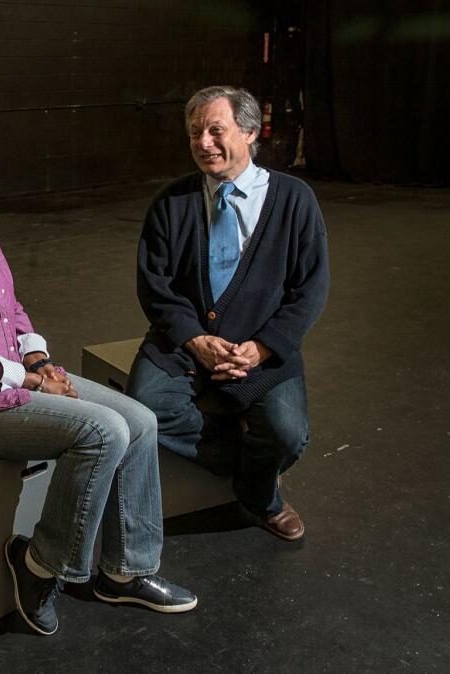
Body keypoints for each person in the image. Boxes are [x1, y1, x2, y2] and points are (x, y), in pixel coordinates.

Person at [0, 123, 197, 635]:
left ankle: (125, 572)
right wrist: (26, 382)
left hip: (13, 377)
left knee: (138, 418)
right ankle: (39, 566)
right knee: (103, 431)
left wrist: (37, 356)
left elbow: (10, 308)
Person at [126, 86, 330, 541]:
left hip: (260, 346)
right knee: (145, 410)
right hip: (185, 342)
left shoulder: (295, 199)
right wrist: (194, 339)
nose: (203, 142)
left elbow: (310, 289)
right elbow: (154, 285)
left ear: (251, 131)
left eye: (215, 130)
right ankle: (258, 479)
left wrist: (262, 348)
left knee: (286, 435)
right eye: (195, 132)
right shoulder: (171, 202)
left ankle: (258, 495)